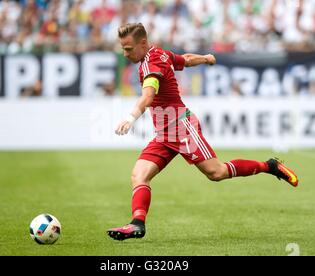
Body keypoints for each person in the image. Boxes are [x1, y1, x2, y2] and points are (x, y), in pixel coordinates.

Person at [107, 23, 299, 241]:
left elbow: (148, 96)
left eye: (129, 48)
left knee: (216, 173)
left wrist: (131, 118)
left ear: (142, 43)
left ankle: (270, 166)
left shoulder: (151, 63)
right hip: (164, 134)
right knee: (139, 175)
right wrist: (206, 58)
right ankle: (137, 224)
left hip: (181, 128)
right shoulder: (158, 53)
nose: (125, 53)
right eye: (123, 48)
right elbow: (185, 59)